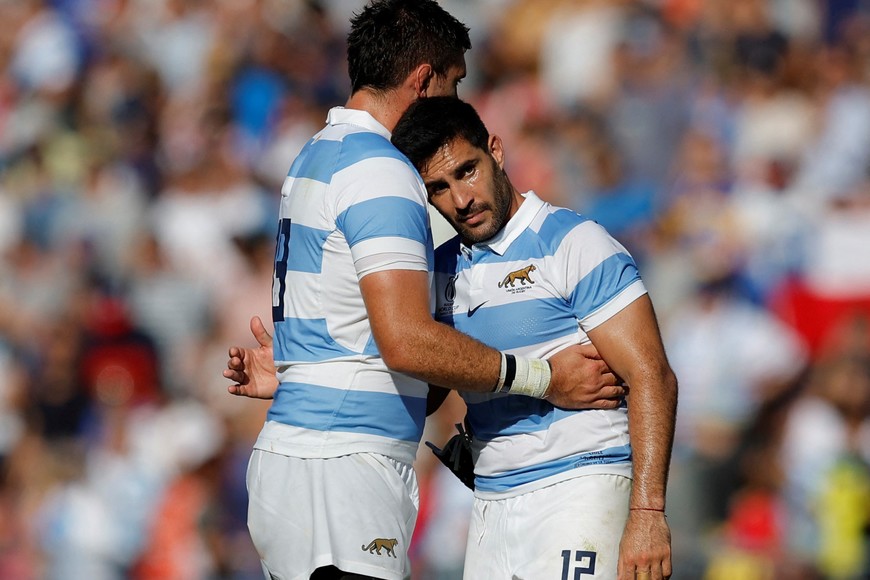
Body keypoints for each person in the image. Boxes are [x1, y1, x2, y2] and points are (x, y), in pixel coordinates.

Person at [223, 2, 624, 579]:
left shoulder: (314, 154)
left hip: (301, 455)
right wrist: (544, 378)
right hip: (343, 466)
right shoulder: (380, 170)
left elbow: (350, 325)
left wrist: (299, 375)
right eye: (455, 83)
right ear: (423, 80)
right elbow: (406, 342)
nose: (457, 102)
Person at [389, 96, 678, 579]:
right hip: (491, 501)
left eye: (467, 171)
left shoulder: (574, 241)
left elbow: (653, 375)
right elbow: (424, 388)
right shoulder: (439, 270)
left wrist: (648, 514)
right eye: (439, 188)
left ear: (496, 151)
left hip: (581, 484)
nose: (460, 199)